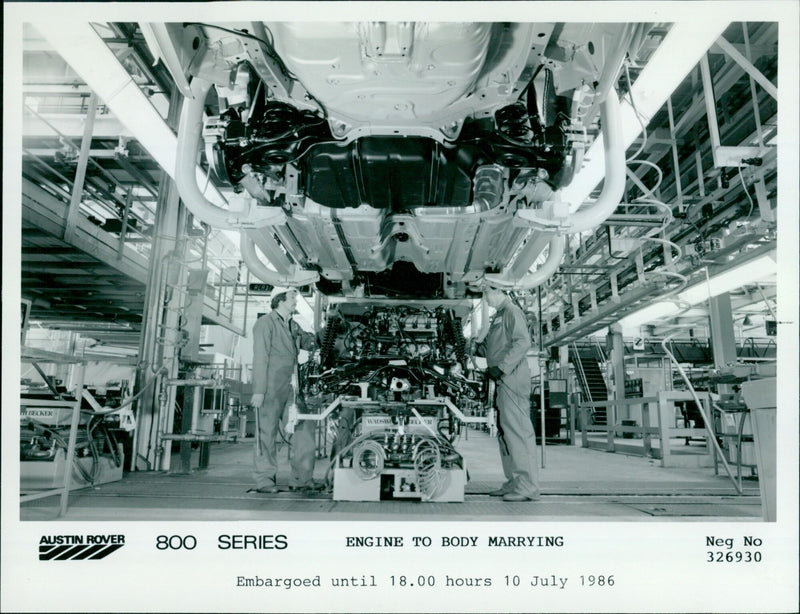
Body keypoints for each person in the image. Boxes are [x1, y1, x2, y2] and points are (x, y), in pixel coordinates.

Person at [473, 284, 540, 502]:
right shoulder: (499, 316)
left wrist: (501, 367)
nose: (486, 298)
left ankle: (527, 485)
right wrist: (477, 348)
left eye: (488, 293)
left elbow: (523, 342)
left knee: (518, 432)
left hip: (511, 378)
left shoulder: (512, 312)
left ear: (501, 291)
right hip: (502, 380)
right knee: (505, 434)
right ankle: (514, 481)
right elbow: (499, 346)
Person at [250, 287, 318, 493]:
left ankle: (302, 479)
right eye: (292, 297)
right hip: (271, 386)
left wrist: (327, 331)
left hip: (292, 387)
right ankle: (265, 481)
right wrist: (259, 391)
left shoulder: (293, 325)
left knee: (303, 429)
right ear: (279, 300)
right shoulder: (265, 324)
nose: (296, 300)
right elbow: (260, 357)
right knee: (266, 433)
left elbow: (310, 342)